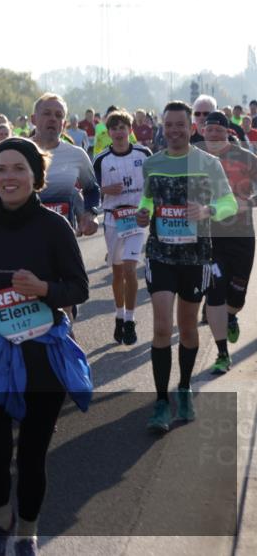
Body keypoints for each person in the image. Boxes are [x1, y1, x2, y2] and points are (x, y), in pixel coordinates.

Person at [0, 137, 92, 556]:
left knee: (32, 457)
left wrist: (44, 289)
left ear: (36, 177)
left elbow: (79, 288)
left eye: (18, 169)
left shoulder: (54, 226)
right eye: (1, 169)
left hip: (41, 353)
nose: (8, 177)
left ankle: (27, 532)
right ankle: (0, 521)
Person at [136, 101, 237, 433]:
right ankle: (162, 401)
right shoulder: (152, 163)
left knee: (189, 327)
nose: (175, 131)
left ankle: (183, 387)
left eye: (181, 125)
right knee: (162, 327)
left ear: (191, 127)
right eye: (169, 126)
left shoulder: (207, 163)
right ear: (163, 128)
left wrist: (207, 211)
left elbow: (229, 203)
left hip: (196, 258)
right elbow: (148, 198)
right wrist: (144, 211)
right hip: (161, 254)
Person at [199, 112, 257, 373]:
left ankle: (231, 316)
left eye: (217, 130)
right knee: (214, 293)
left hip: (242, 235)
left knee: (237, 297)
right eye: (208, 130)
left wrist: (249, 202)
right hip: (211, 237)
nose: (213, 134)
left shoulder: (245, 157)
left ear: (226, 132)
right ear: (203, 132)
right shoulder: (196, 159)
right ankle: (222, 354)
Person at [93, 110, 151, 345]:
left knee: (130, 269)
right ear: (109, 133)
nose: (118, 132)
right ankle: (119, 316)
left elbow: (153, 183)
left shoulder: (144, 154)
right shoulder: (101, 159)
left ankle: (130, 320)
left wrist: (150, 210)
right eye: (114, 128)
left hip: (136, 219)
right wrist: (106, 191)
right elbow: (91, 190)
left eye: (122, 127)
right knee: (117, 272)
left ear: (130, 130)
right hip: (113, 220)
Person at [30, 93, 101, 237]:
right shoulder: (16, 151)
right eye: (46, 113)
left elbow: (92, 190)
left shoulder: (77, 155)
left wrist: (90, 213)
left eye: (58, 115)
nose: (52, 119)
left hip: (63, 240)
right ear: (34, 119)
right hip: (27, 238)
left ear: (64, 123)